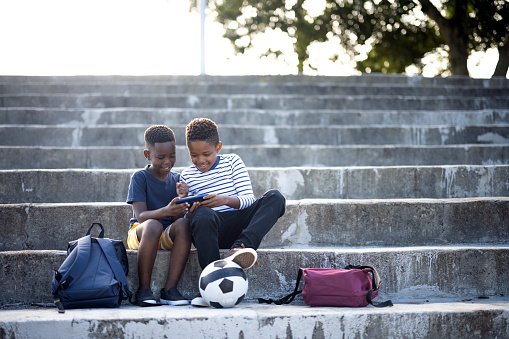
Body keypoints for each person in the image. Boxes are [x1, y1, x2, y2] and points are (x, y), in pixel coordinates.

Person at [180, 118, 286, 307]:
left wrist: (224, 199)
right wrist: (189, 206)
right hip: (211, 229)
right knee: (202, 215)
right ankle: (210, 281)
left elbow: (248, 200)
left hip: (238, 224)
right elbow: (187, 220)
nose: (200, 160)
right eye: (194, 155)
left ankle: (241, 247)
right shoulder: (186, 176)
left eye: (206, 154)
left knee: (275, 197)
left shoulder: (232, 162)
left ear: (218, 147)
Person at [126, 125, 198, 307]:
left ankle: (170, 290)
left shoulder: (177, 180)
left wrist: (182, 201)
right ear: (147, 155)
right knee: (153, 225)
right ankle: (143, 290)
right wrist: (166, 211)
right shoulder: (140, 177)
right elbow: (141, 216)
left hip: (165, 234)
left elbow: (176, 221)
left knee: (183, 225)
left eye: (172, 155)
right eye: (160, 157)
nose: (167, 161)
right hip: (141, 234)